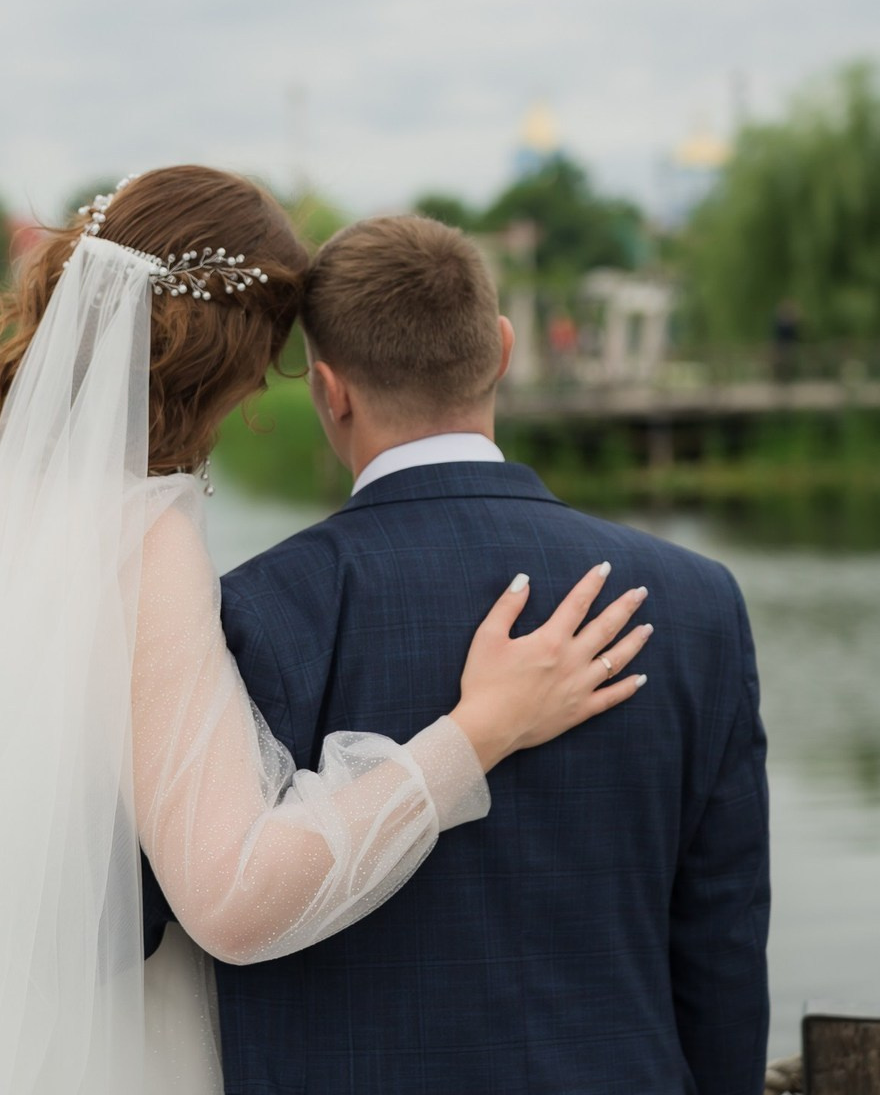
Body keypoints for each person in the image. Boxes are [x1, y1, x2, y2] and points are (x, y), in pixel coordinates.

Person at [0, 169, 651, 1095]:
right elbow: (234, 898)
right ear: (226, 369)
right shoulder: (140, 535)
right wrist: (479, 731)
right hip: (102, 1053)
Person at [143, 215, 765, 1095]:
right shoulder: (698, 603)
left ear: (330, 389)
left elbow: (162, 907)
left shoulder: (255, 613)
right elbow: (723, 940)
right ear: (503, 349)